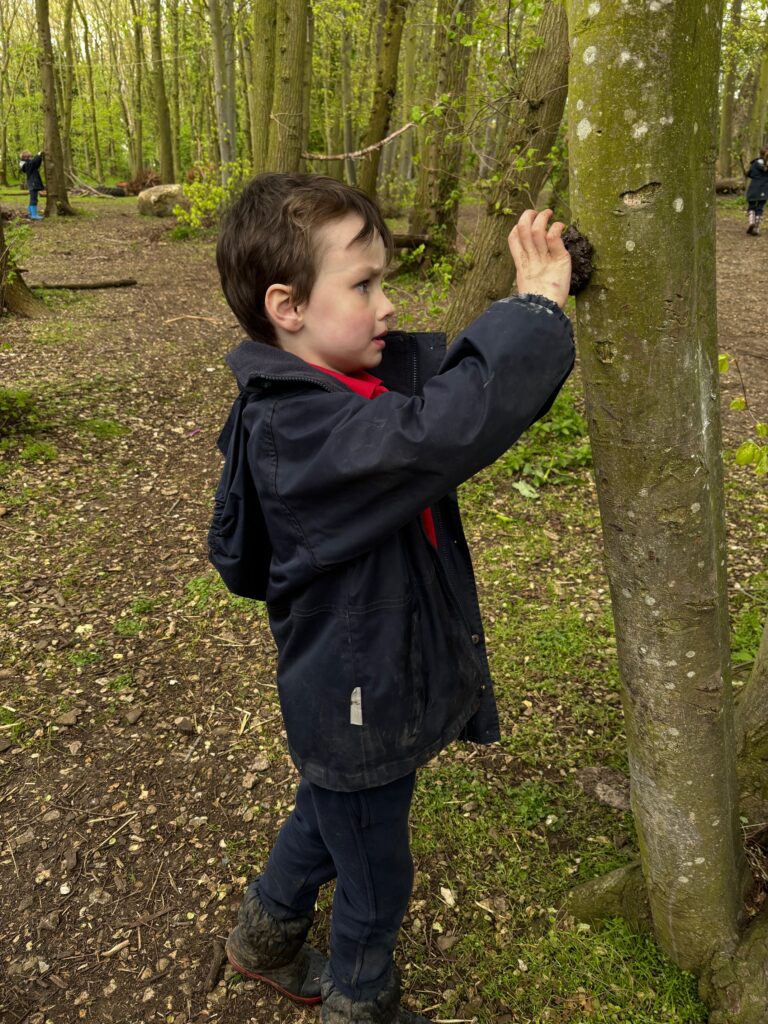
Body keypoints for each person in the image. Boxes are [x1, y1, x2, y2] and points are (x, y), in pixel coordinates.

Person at [212, 173, 574, 1024]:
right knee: (375, 869)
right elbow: (443, 426)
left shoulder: (337, 390)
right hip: (355, 699)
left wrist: (553, 291)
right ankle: (360, 999)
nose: (386, 305)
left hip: (354, 693)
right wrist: (536, 317)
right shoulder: (304, 432)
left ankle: (263, 937)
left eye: (386, 281)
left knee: (331, 809)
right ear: (287, 306)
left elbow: (442, 381)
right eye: (364, 284)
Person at [746, 146, 768, 235]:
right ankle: (756, 227)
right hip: (764, 189)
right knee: (760, 207)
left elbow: (750, 174)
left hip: (754, 188)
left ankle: (751, 222)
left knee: (751, 206)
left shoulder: (754, 163)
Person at [19, 150, 45, 220]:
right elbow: (33, 162)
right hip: (32, 183)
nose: (31, 157)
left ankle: (31, 213)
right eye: (30, 156)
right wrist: (38, 155)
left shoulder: (28, 164)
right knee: (34, 199)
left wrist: (40, 157)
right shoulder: (26, 165)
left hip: (33, 183)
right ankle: (34, 215)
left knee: (33, 199)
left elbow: (36, 164)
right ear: (25, 157)